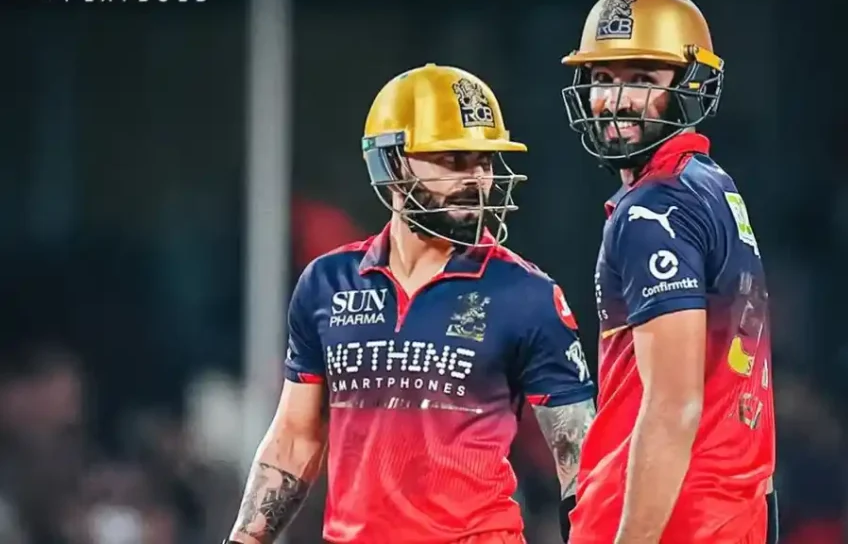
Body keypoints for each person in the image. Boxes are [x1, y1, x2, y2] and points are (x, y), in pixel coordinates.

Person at [222, 63, 596, 544]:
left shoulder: (526, 294)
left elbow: (580, 459)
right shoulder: (327, 284)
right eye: (453, 160)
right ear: (393, 163)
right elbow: (296, 437)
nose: (477, 179)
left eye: (484, 161)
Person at [558, 0, 779, 544]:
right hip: (728, 516)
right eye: (602, 78)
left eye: (641, 79)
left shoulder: (652, 210)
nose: (616, 100)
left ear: (690, 86)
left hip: (669, 522)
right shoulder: (713, 188)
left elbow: (672, 407)